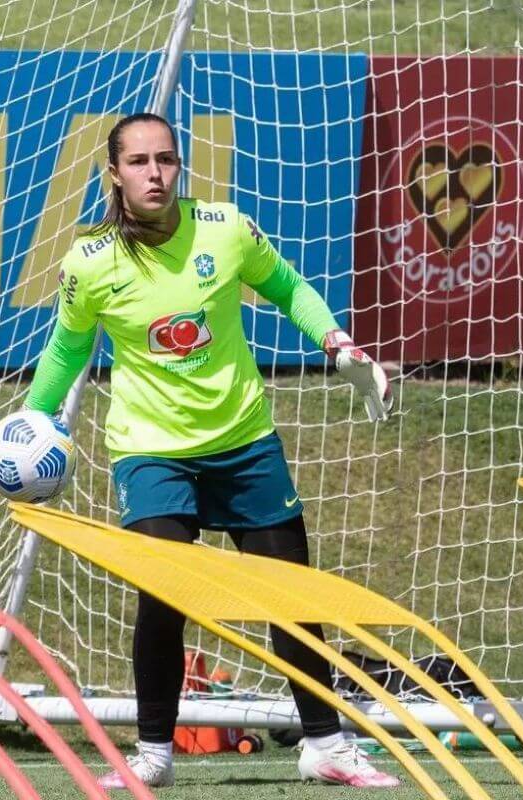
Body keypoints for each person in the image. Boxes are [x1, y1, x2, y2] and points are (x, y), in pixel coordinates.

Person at [24, 112, 396, 789]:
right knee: (164, 592)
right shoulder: (91, 261)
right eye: (138, 162)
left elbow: (287, 287)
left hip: (244, 440)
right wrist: (32, 418)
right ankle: (155, 753)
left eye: (165, 158)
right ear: (114, 174)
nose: (155, 173)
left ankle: (325, 745)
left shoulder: (226, 231)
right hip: (150, 450)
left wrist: (336, 342)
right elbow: (69, 348)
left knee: (292, 594)